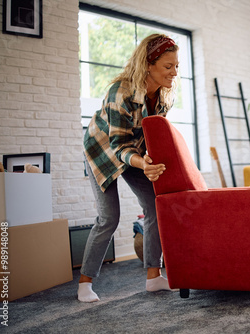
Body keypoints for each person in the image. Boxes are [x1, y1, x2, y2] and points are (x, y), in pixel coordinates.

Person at [78, 34, 180, 302]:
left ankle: (153, 277)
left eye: (176, 66)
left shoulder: (164, 96)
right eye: (168, 66)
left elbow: (154, 136)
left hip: (134, 152)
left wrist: (151, 163)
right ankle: (85, 283)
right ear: (149, 65)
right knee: (108, 218)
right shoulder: (120, 92)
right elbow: (118, 144)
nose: (174, 72)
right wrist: (141, 162)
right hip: (103, 151)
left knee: (155, 206)